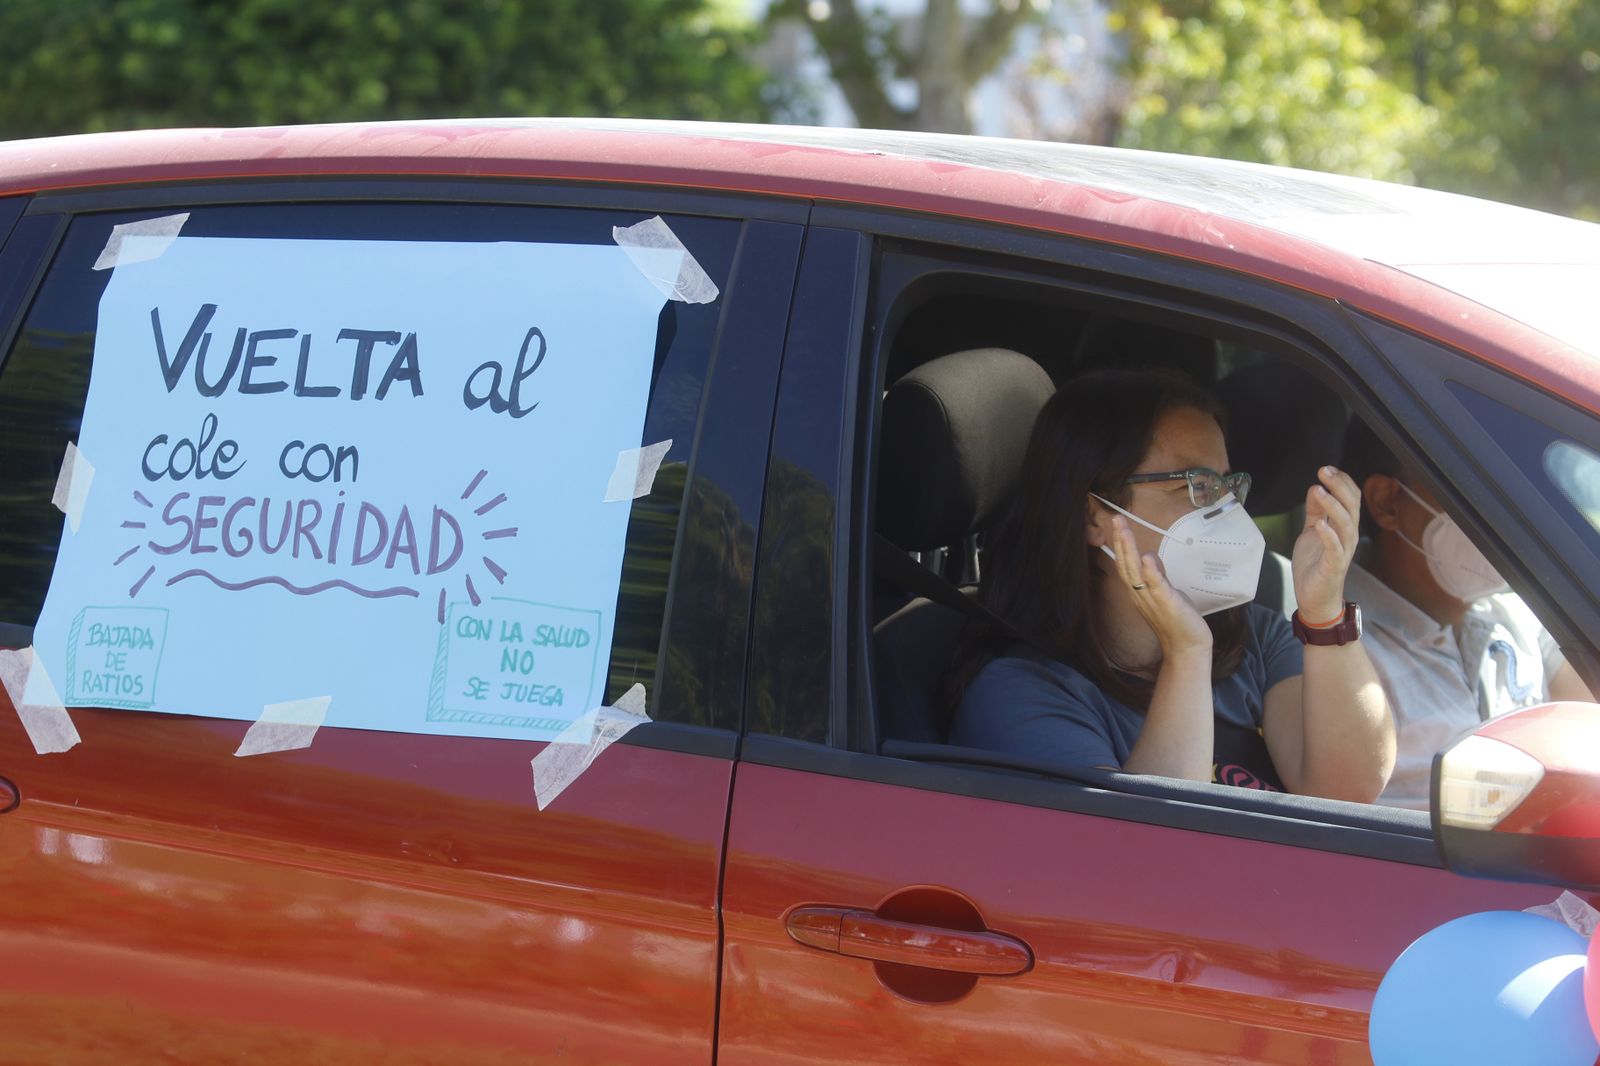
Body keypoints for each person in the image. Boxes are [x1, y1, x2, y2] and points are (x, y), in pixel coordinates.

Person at [945, 368, 1394, 801]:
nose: (1225, 511)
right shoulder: (1019, 694)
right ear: (1094, 518)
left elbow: (1347, 791)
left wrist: (1323, 612)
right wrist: (1186, 654)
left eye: (1228, 486)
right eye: (1196, 485)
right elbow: (1146, 859)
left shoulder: (1254, 639)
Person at [1340, 418, 1591, 810]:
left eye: (1512, 491)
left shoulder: (1525, 612)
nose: (1501, 516)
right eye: (1474, 487)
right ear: (1387, 502)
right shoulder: (1333, 646)